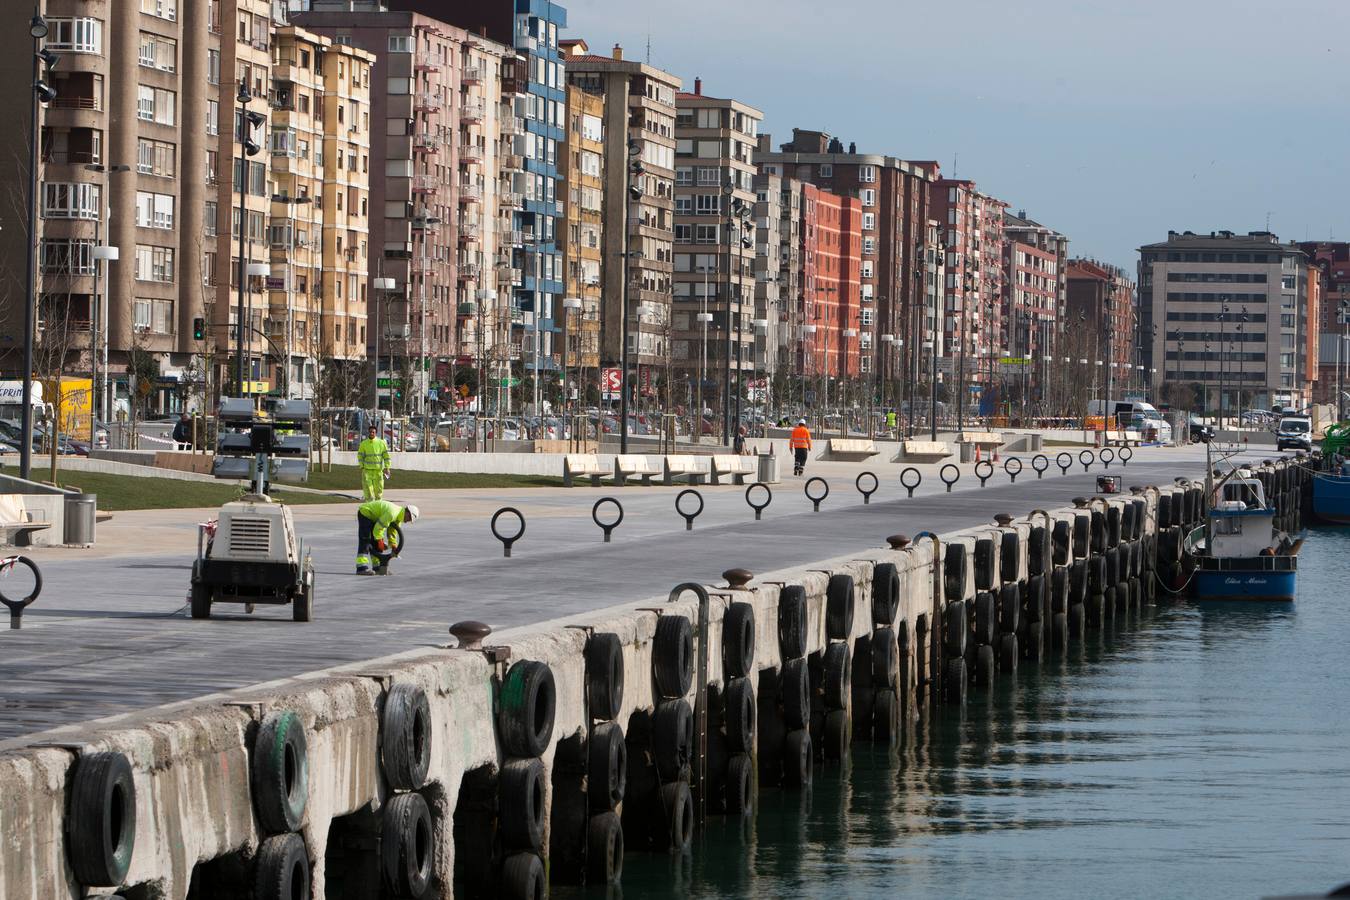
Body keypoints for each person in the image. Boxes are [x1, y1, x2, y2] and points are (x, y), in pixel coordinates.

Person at [356, 499, 419, 575]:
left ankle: (377, 568)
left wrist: (393, 545)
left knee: (375, 542)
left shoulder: (398, 518)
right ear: (407, 512)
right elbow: (378, 528)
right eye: (409, 518)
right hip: (365, 513)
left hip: (373, 516)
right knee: (366, 540)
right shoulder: (392, 514)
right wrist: (380, 541)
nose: (406, 521)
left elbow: (392, 533)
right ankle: (361, 568)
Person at [357, 423, 391, 501]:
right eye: (370, 432)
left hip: (378, 471)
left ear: (376, 433)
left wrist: (387, 467)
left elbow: (386, 456)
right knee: (368, 492)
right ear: (368, 432)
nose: (372, 433)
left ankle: (378, 508)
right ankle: (369, 509)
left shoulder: (381, 443)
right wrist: (361, 466)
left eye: (373, 432)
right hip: (367, 471)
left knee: (379, 491)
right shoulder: (364, 444)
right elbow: (360, 456)